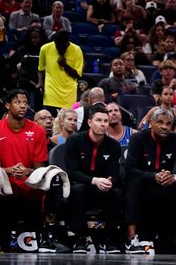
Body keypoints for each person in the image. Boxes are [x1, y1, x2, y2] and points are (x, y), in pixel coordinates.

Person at [0, 89, 65, 253]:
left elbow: (39, 168)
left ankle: (47, 237)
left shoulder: (37, 131)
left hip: (30, 184)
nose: (23, 106)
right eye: (17, 102)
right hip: (4, 184)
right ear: (7, 105)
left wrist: (26, 172)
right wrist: (11, 171)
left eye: (25, 103)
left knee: (54, 177)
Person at [124, 107, 176, 255]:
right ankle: (131, 239)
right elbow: (129, 169)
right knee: (132, 183)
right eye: (160, 122)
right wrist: (153, 176)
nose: (164, 126)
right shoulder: (138, 138)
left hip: (167, 185)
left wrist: (174, 178)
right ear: (151, 123)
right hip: (145, 184)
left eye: (168, 124)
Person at [65, 105, 123, 254]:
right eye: (98, 120)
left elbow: (115, 173)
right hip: (81, 185)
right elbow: (72, 172)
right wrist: (94, 180)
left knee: (115, 192)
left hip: (102, 188)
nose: (103, 124)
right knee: (78, 190)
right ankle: (80, 239)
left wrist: (109, 181)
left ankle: (110, 240)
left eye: (105, 121)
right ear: (90, 122)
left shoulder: (114, 145)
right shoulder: (74, 140)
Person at [38, 30, 83, 112]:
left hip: (69, 96)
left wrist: (65, 65)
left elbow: (78, 75)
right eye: (57, 46)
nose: (60, 48)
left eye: (63, 46)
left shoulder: (77, 50)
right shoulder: (45, 49)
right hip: (51, 95)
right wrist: (41, 82)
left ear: (67, 43)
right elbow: (40, 69)